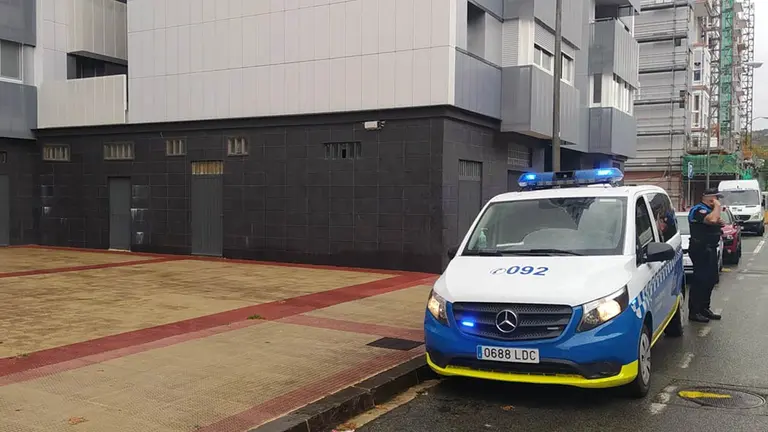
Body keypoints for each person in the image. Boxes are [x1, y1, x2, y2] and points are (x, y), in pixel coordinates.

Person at [687, 188, 724, 323]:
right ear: (710, 198)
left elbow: (716, 221)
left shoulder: (708, 210)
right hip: (700, 248)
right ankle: (694, 311)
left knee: (711, 279)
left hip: (711, 248)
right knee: (700, 280)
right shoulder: (698, 210)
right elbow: (713, 220)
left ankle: (704, 308)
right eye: (716, 198)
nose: (718, 201)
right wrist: (718, 207)